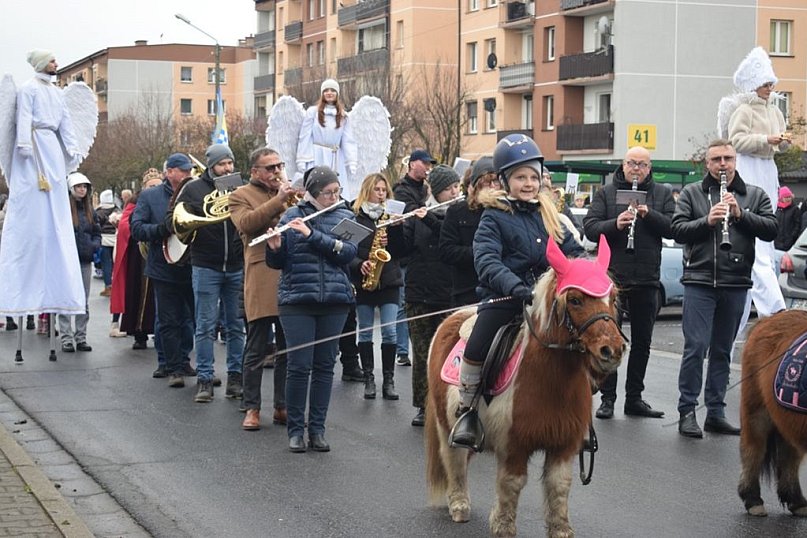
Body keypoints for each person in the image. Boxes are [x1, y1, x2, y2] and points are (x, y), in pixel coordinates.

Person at [450, 134, 584, 451]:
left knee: (584, 342)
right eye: (521, 177)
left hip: (548, 303)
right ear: (505, 180)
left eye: (534, 177)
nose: (529, 183)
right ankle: (467, 410)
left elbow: (574, 253)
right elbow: (486, 261)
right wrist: (517, 289)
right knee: (479, 342)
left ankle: (579, 416)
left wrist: (588, 274)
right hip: (507, 299)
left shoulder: (549, 214)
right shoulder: (493, 216)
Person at [671, 140, 777, 438]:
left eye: (728, 158)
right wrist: (707, 220)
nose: (722, 164)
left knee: (722, 350)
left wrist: (741, 215)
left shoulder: (753, 195)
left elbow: (771, 228)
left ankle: (715, 412)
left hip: (736, 280)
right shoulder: (693, 193)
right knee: (695, 348)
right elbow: (677, 230)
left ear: (735, 161)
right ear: (707, 164)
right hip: (699, 281)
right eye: (716, 159)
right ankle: (687, 411)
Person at [265, 166, 358, 453]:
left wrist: (312, 235)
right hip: (297, 300)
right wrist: (275, 247)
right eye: (327, 193)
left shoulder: (346, 216)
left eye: (336, 192)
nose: (333, 197)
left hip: (335, 300)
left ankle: (317, 429)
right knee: (299, 365)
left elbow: (348, 253)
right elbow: (278, 263)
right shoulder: (293, 216)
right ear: (312, 194)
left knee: (324, 367)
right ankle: (295, 430)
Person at [583, 146, 675, 419]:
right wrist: (616, 224)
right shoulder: (606, 193)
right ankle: (608, 398)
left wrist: (650, 215)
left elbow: (673, 227)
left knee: (643, 342)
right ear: (623, 165)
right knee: (609, 339)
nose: (636, 168)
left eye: (642, 164)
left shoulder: (661, 194)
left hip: (647, 278)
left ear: (649, 168)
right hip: (613, 281)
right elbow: (590, 227)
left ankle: (634, 397)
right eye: (632, 163)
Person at [0, 50, 86, 322]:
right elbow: (23, 117)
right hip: (33, 149)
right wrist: (24, 144)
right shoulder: (28, 90)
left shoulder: (57, 93)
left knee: (56, 200)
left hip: (51, 148)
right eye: (52, 61)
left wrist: (71, 149)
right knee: (33, 198)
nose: (56, 65)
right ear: (40, 64)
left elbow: (66, 123)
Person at [174, 144, 245, 403]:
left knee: (236, 326)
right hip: (205, 264)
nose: (227, 168)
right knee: (204, 326)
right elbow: (178, 219)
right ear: (211, 164)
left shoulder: (239, 187)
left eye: (230, 163)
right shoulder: (193, 189)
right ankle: (205, 379)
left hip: (237, 264)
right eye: (222, 163)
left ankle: (236, 378)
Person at [228, 147, 292, 430]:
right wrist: (279, 201)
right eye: (270, 168)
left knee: (288, 347)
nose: (277, 171)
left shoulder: (289, 194)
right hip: (261, 275)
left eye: (279, 166)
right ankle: (252, 407)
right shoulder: (240, 195)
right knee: (256, 346)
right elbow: (247, 223)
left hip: (289, 273)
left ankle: (282, 405)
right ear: (255, 172)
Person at [726, 47, 787, 337]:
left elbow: (779, 143)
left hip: (767, 168)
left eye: (771, 83)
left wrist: (781, 142)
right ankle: (775, 309)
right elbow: (735, 139)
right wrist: (765, 139)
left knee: (765, 236)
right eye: (765, 83)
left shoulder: (775, 109)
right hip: (750, 167)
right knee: (756, 245)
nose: (769, 88)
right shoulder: (744, 109)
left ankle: (758, 315)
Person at [402, 165, 461, 427]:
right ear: (437, 192)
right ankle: (423, 405)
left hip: (449, 294)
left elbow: (447, 237)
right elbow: (403, 250)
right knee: (423, 354)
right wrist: (396, 227)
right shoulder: (419, 214)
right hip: (419, 292)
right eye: (450, 189)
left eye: (456, 187)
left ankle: (451, 403)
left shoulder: (458, 214)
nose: (455, 192)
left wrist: (427, 219)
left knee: (450, 354)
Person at [130, 154, 196, 384]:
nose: (189, 174)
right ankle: (172, 366)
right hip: (163, 266)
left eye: (190, 171)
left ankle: (184, 360)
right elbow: (137, 229)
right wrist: (163, 230)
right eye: (184, 171)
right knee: (168, 319)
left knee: (190, 320)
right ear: (170, 172)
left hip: (190, 265)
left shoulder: (196, 192)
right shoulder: (150, 196)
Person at [351, 173, 408, 400]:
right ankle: (369, 380)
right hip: (365, 281)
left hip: (389, 280)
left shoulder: (391, 217)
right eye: (377, 189)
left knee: (389, 330)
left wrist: (394, 233)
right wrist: (358, 264)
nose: (381, 194)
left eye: (384, 190)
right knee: (365, 331)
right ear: (367, 191)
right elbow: (348, 249)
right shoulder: (355, 217)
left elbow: (402, 252)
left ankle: (389, 381)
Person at [392, 149, 436, 369]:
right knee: (403, 304)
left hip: (422, 251)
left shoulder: (426, 188)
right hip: (406, 249)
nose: (428, 167)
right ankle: (402, 350)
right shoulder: (401, 189)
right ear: (412, 164)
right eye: (425, 163)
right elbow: (410, 212)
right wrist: (426, 201)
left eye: (430, 164)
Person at [111, 168, 162, 348]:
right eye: (151, 185)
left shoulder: (166, 199)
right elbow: (126, 225)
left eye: (158, 185)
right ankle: (139, 333)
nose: (155, 188)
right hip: (139, 254)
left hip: (161, 251)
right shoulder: (135, 202)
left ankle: (159, 332)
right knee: (139, 293)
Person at [438, 156, 498, 307]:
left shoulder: (507, 212)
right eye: (487, 182)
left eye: (495, 182)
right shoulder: (457, 212)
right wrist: (480, 252)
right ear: (476, 185)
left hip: (498, 289)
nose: (492, 187)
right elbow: (446, 250)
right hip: (466, 291)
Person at [58, 173, 101, 353]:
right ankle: (66, 338)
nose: (82, 190)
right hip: (67, 261)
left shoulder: (90, 210)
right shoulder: (63, 209)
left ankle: (81, 337)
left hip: (84, 259)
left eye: (84, 187)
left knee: (83, 300)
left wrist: (93, 246)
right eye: (79, 186)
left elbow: (96, 232)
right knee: (66, 298)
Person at [296, 79, 359, 201]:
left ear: (337, 94)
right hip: (316, 155)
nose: (329, 93)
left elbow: (348, 140)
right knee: (317, 186)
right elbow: (305, 136)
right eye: (326, 90)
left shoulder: (343, 116)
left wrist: (351, 161)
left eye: (333, 90)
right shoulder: (313, 112)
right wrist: (302, 159)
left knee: (336, 185)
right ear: (322, 93)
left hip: (335, 157)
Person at [96, 189, 119, 297]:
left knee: (106, 264)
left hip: (104, 240)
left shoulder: (99, 212)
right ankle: (115, 285)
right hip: (115, 239)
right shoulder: (117, 210)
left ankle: (108, 286)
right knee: (115, 264)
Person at [774, 186, 800, 253]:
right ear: (781, 198)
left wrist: (792, 238)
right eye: (786, 197)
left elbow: (797, 225)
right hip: (777, 243)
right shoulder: (777, 209)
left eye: (789, 197)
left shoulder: (795, 209)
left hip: (789, 244)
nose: (788, 199)